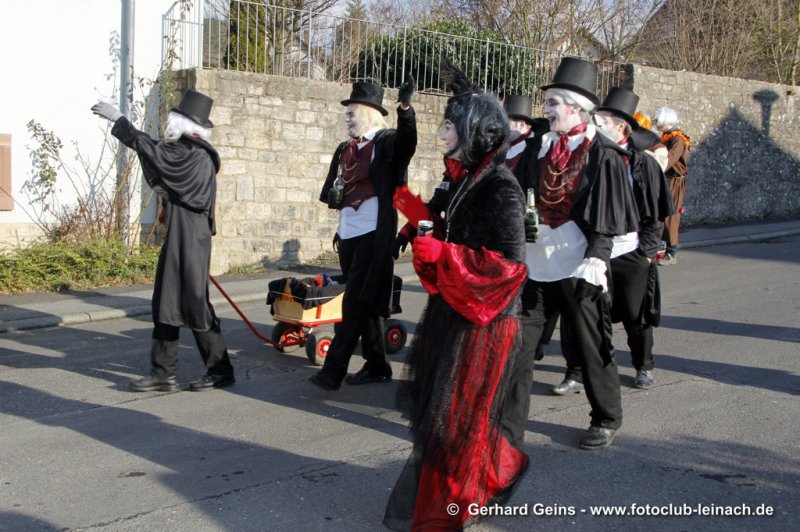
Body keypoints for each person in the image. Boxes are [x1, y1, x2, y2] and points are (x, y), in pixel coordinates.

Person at [383, 58, 529, 530]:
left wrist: (444, 254)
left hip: (487, 321)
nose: (442, 134)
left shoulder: (501, 186)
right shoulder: (465, 177)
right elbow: (446, 222)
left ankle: (454, 503)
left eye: (449, 126)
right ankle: (480, 479)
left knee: (456, 420)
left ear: (473, 132)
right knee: (443, 416)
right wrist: (416, 216)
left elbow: (510, 266)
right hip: (456, 306)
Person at [513, 57, 639, 450]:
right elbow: (518, 193)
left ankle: (606, 417)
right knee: (519, 347)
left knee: (591, 344)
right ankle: (508, 425)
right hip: (536, 263)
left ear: (576, 107)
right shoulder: (537, 147)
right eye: (547, 102)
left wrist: (597, 258)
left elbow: (608, 216)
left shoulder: (603, 154)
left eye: (553, 103)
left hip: (579, 263)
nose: (546, 109)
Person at [91, 90, 235, 391]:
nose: (168, 123)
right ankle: (162, 374)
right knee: (166, 300)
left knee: (195, 304)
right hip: (182, 234)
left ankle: (221, 371)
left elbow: (157, 154)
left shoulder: (195, 154)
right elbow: (162, 162)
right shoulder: (188, 152)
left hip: (192, 239)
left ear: (184, 123)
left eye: (174, 118)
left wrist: (120, 120)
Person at [309, 79, 417, 391]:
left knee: (354, 303)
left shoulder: (386, 141)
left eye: (351, 112)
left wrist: (405, 110)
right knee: (366, 301)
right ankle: (377, 366)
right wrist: (337, 207)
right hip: (349, 234)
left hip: (374, 234)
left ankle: (333, 372)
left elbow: (408, 144)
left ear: (369, 113)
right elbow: (334, 192)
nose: (347, 118)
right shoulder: (344, 149)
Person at [595, 87, 674, 388]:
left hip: (632, 251)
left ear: (621, 126)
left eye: (603, 121)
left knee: (635, 315)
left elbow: (655, 212)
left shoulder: (644, 164)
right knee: (595, 314)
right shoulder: (593, 156)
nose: (596, 126)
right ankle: (593, 369)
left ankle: (644, 364)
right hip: (598, 251)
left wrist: (647, 253)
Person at [652, 107, 691, 266]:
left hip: (674, 181)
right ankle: (660, 247)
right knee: (660, 213)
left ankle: (671, 252)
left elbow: (669, 160)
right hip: (665, 179)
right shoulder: (667, 137)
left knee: (671, 215)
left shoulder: (678, 139)